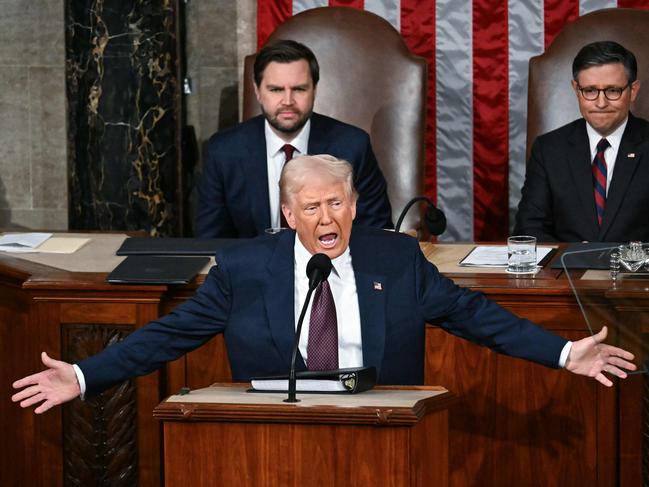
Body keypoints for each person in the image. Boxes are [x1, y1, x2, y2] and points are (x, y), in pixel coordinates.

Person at [13, 155, 636, 413]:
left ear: (353, 205)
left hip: (383, 423)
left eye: (336, 204)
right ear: (289, 215)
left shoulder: (395, 260)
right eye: (311, 208)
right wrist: (85, 374)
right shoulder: (246, 268)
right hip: (273, 433)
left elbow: (476, 316)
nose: (327, 219)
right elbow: (170, 335)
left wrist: (564, 352)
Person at [195, 39, 393, 238]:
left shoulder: (353, 146)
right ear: (257, 91)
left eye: (299, 89)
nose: (288, 101)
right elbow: (210, 241)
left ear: (314, 90)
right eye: (275, 89)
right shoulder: (223, 151)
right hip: (251, 267)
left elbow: (376, 233)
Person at [514, 40, 649, 242]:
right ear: (577, 90)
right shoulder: (549, 149)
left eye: (613, 91)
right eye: (590, 91)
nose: (601, 103)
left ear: (633, 90)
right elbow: (529, 229)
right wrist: (574, 258)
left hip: (635, 272)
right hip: (567, 271)